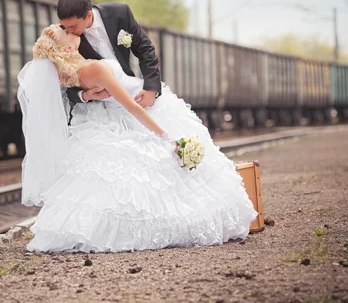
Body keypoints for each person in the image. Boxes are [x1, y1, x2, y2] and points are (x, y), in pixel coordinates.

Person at [17, 24, 258, 253]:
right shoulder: (95, 70)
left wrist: (87, 94)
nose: (69, 29)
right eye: (64, 31)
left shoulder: (75, 75)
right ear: (67, 49)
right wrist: (167, 137)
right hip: (143, 110)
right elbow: (132, 107)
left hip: (126, 111)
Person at [57, 0, 160, 109]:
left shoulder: (120, 13)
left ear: (89, 15)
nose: (69, 31)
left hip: (131, 92)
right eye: (65, 26)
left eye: (73, 26)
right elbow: (64, 81)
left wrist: (151, 88)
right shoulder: (64, 38)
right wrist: (85, 95)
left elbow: (145, 49)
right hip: (98, 107)